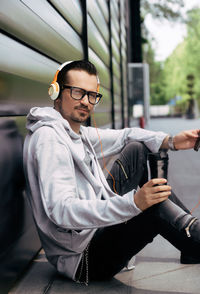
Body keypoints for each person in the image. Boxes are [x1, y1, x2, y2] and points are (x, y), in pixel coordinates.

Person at [23, 60, 200, 285]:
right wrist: (133, 204)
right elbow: (61, 210)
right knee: (152, 204)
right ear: (56, 91)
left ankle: (191, 242)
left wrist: (172, 141)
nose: (86, 102)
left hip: (95, 230)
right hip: (84, 259)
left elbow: (127, 136)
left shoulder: (76, 133)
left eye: (91, 95)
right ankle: (193, 236)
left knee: (137, 148)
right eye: (77, 93)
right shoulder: (50, 140)